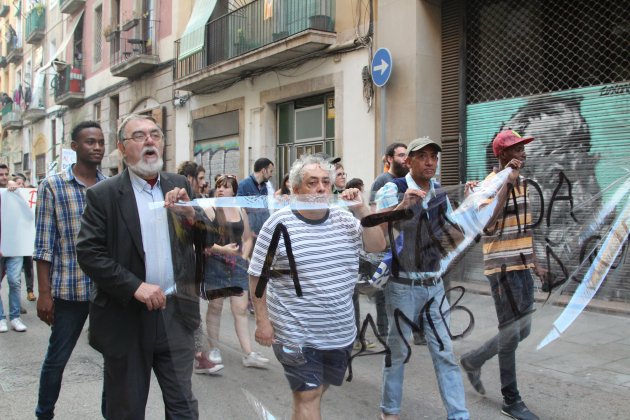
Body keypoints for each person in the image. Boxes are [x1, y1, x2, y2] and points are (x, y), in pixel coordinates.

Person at [76, 114, 207, 419]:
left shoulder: (179, 185)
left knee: (183, 407)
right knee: (125, 408)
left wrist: (191, 216)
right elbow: (89, 253)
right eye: (139, 136)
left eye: (155, 134)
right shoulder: (103, 195)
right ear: (122, 148)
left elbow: (206, 238)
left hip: (176, 314)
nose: (150, 140)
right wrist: (135, 286)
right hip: (126, 319)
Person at [248, 154, 385, 420]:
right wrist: (263, 321)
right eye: (312, 183)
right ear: (295, 189)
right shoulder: (277, 224)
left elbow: (377, 246)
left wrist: (362, 210)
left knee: (315, 393)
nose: (321, 188)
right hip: (295, 334)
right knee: (308, 396)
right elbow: (257, 276)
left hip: (340, 333)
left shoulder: (346, 221)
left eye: (325, 182)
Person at [375, 137, 469, 420]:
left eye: (434, 157)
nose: (430, 162)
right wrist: (403, 206)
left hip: (434, 285)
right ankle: (390, 410)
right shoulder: (393, 188)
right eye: (423, 156)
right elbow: (378, 232)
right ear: (409, 161)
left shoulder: (440, 192)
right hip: (402, 286)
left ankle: (459, 415)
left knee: (445, 352)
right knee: (399, 351)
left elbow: (455, 234)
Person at [460, 130, 546, 420]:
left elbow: (526, 226)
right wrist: (505, 186)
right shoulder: (485, 186)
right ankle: (512, 400)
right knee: (510, 333)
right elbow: (488, 224)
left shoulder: (524, 184)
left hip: (521, 265)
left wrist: (534, 261)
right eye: (516, 148)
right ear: (502, 155)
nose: (523, 152)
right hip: (502, 268)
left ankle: (474, 359)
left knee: (524, 330)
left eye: (523, 147)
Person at [33, 121, 107, 420]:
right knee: (57, 358)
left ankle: (112, 413)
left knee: (114, 360)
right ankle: (44, 413)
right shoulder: (52, 186)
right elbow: (43, 244)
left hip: (106, 291)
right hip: (68, 291)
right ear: (74, 147)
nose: (97, 147)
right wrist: (44, 293)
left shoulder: (109, 186)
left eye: (101, 141)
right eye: (90, 142)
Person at [203, 175, 269, 369]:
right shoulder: (210, 210)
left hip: (237, 267)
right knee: (215, 308)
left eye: (225, 187)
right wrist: (223, 250)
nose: (221, 190)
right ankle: (213, 348)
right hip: (215, 265)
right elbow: (203, 241)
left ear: (234, 191)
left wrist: (244, 254)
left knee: (240, 310)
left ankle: (248, 354)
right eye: (218, 187)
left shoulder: (240, 210)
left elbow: (247, 237)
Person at [369, 142, 409, 343]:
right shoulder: (382, 181)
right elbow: (376, 213)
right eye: (401, 155)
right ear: (389, 159)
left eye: (406, 155)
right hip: (386, 244)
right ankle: (384, 330)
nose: (405, 158)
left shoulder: (408, 181)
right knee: (383, 290)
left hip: (405, 245)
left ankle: (407, 329)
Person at [0, 163, 26, 332]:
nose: (3, 177)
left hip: (15, 245)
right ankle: (1, 318)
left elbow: (28, 212)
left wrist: (18, 192)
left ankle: (15, 317)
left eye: (5, 174)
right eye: (0, 174)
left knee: (15, 281)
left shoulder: (15, 191)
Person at [12, 172, 37, 302]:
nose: (21, 186)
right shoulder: (9, 197)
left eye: (22, 183)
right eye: (18, 183)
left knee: (28, 265)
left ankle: (30, 291)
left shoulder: (30, 199)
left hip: (26, 237)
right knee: (14, 272)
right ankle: (16, 298)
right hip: (13, 240)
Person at [237, 157, 274, 238]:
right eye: (270, 171)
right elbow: (240, 210)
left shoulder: (265, 187)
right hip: (250, 235)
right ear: (263, 171)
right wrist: (249, 231)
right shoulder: (244, 185)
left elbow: (266, 210)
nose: (271, 174)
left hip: (263, 233)